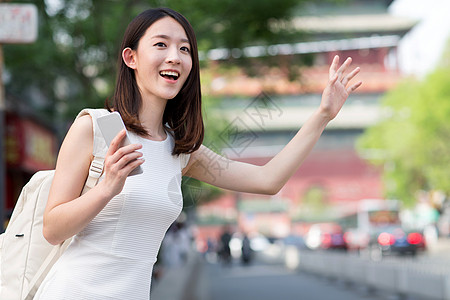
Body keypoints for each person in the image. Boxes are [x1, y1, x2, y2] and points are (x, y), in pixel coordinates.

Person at [34, 7, 362, 300]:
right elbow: (53, 229)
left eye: (185, 48)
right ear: (131, 58)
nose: (175, 56)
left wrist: (322, 116)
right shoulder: (98, 128)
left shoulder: (180, 150)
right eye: (161, 44)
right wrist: (106, 188)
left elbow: (268, 179)